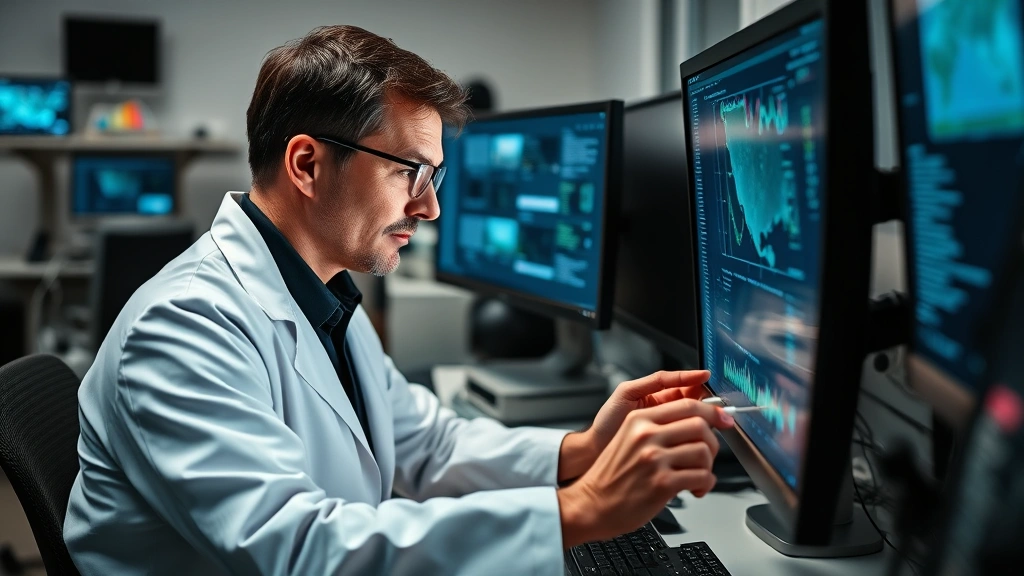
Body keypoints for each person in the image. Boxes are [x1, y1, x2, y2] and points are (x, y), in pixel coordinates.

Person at [63, 25, 734, 575]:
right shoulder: (182, 327)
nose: (430, 206)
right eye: (409, 171)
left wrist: (582, 451)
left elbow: (425, 446)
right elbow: (298, 551)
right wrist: (579, 510)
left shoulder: (320, 292)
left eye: (433, 175)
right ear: (307, 165)